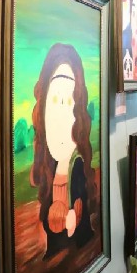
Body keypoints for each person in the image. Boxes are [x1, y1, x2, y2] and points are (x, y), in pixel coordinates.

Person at [30, 43, 97, 259]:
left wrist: (72, 218)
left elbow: (81, 219)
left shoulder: (77, 166)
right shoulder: (48, 167)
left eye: (69, 102)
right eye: (55, 101)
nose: (60, 116)